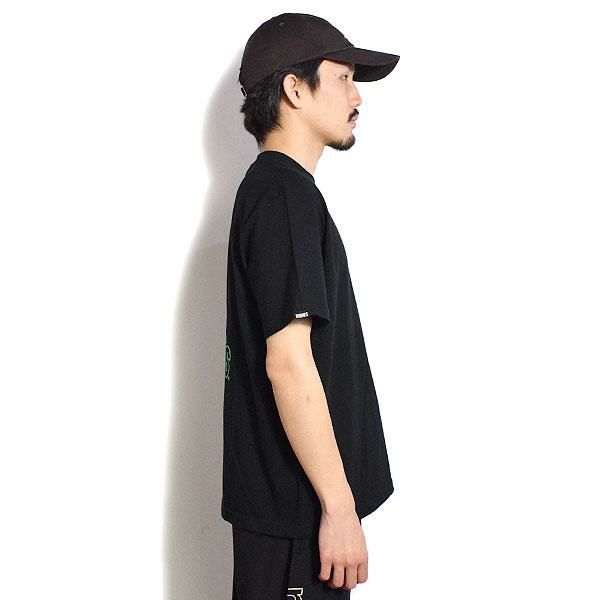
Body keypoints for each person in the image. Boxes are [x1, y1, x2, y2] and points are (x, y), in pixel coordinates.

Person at [222, 12, 400, 599]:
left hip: (293, 519)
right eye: (343, 78)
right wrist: (339, 509)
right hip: (299, 522)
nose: (357, 97)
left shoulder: (278, 192)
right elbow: (288, 363)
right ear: (295, 89)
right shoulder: (282, 197)